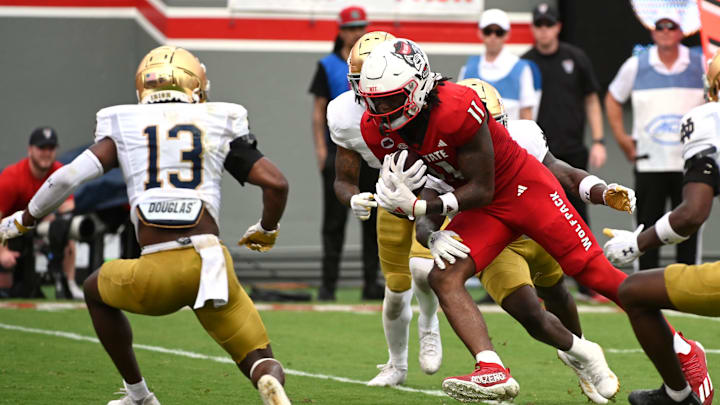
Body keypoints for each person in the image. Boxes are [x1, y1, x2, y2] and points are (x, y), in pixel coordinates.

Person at [358, 38, 709, 403]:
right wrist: (403, 203)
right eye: (373, 100)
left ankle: (682, 348)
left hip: (521, 190)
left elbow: (484, 188)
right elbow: (423, 187)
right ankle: (491, 368)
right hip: (478, 208)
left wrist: (417, 209)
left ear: (417, 89)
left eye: (390, 99)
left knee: (595, 274)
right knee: (444, 275)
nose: (381, 110)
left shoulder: (459, 108)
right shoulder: (376, 127)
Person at [0, 46, 291, 405]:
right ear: (195, 84)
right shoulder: (217, 120)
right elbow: (276, 183)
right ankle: (268, 379)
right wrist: (266, 227)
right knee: (258, 356)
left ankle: (139, 395)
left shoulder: (125, 124)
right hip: (212, 265)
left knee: (93, 290)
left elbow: (66, 179)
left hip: (158, 269)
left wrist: (24, 220)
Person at [602, 50, 720, 405]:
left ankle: (678, 394)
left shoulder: (708, 119)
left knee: (634, 291)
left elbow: (691, 215)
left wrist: (639, 243)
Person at [329, 30, 442, 386]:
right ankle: (396, 365)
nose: (368, 93)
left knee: (423, 272)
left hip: (432, 191)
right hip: (390, 194)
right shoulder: (346, 114)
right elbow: (343, 177)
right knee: (394, 294)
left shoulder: (426, 99)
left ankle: (428, 324)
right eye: (360, 82)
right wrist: (353, 197)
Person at [605, 10, 705, 271]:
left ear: (681, 31)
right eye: (660, 27)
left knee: (689, 225)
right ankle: (646, 288)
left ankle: (688, 289)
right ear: (652, 31)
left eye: (671, 27)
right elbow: (613, 97)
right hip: (649, 163)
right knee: (647, 228)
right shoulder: (636, 64)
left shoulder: (702, 63)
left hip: (689, 163)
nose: (665, 32)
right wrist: (622, 138)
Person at [522, 2, 606, 302]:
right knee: (538, 217)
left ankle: (590, 283)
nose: (543, 30)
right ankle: (541, 282)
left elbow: (592, 100)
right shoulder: (526, 63)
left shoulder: (575, 58)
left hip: (572, 152)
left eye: (549, 24)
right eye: (539, 24)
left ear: (557, 26)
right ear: (533, 28)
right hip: (538, 155)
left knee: (579, 216)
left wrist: (598, 140)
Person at [308, 5, 383, 301]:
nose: (357, 32)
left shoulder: (377, 63)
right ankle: (328, 285)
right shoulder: (327, 65)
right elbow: (317, 112)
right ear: (340, 31)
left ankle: (371, 282)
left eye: (362, 27)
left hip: (372, 154)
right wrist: (320, 151)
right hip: (340, 152)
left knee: (374, 221)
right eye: (352, 28)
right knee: (334, 221)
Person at [0, 127, 82, 300]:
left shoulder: (61, 173)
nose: (46, 153)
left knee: (65, 230)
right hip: (9, 232)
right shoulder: (12, 177)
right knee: (8, 288)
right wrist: (2, 253)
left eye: (50, 148)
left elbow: (68, 210)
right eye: (41, 148)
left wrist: (56, 225)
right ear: (30, 150)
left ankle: (69, 283)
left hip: (36, 226)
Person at [458, 8, 536, 121]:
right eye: (488, 31)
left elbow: (527, 115)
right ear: (480, 33)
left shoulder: (522, 69)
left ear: (507, 34)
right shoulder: (468, 69)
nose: (493, 36)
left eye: (499, 32)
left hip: (510, 137)